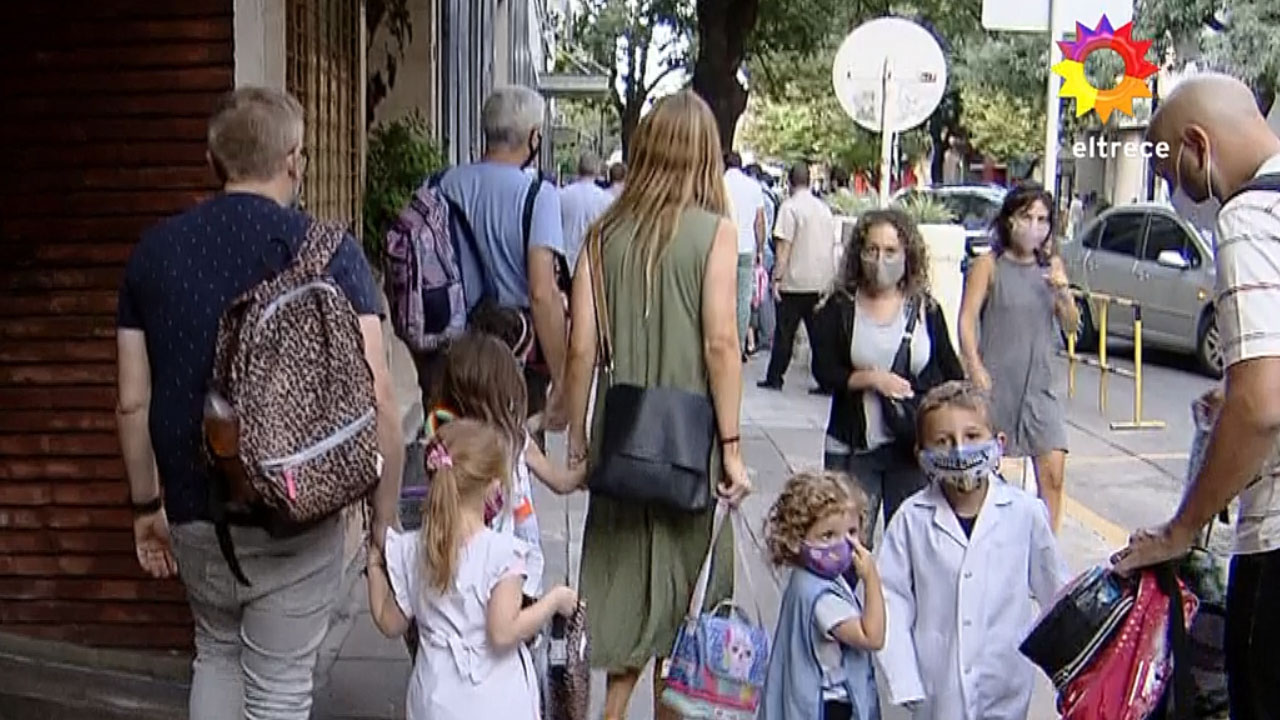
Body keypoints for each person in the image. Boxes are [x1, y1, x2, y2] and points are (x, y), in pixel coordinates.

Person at [115, 87, 403, 719]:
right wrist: (382, 521)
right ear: (294, 159)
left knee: (215, 654)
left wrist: (145, 506)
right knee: (278, 686)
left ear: (214, 160)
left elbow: (132, 404)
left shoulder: (154, 253)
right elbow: (381, 397)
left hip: (192, 507)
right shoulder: (330, 252)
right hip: (298, 511)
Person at [562, 90, 752, 719]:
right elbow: (721, 343)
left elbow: (582, 345)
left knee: (618, 595)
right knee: (682, 598)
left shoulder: (602, 232)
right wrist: (732, 448)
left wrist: (576, 433)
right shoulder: (714, 233)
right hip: (689, 441)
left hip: (620, 439)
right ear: (705, 154)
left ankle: (610, 713)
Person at [1110, 72, 1280, 720]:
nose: (1178, 192)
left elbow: (1263, 405)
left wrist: (1183, 529)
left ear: (1197, 146)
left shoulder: (1251, 214)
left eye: (1171, 174)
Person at [876, 381, 1070, 720]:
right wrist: (904, 678)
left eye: (972, 436)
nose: (958, 451)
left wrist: (1071, 672)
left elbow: (1055, 594)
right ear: (922, 455)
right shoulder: (911, 519)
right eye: (943, 441)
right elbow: (891, 600)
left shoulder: (1025, 513)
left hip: (1005, 686)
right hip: (938, 689)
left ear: (999, 444)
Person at [366, 419, 579, 720]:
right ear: (494, 486)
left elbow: (389, 622)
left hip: (434, 698)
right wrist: (553, 601)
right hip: (494, 701)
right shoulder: (503, 555)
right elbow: (504, 632)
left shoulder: (414, 549)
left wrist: (375, 568)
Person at [810, 209, 964, 545]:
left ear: (908, 255)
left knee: (912, 547)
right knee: (846, 549)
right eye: (872, 250)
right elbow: (824, 370)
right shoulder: (839, 306)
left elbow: (952, 374)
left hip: (911, 451)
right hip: (854, 448)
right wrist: (870, 379)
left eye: (891, 251)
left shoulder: (926, 309)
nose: (881, 260)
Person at [435, 85, 569, 430]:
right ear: (533, 137)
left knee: (455, 456)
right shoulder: (538, 196)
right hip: (515, 356)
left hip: (452, 353)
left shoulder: (442, 185)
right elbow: (542, 293)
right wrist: (563, 378)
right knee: (513, 458)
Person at [957, 182, 1079, 533]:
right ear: (1010, 219)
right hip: (998, 382)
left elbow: (1071, 327)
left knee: (1052, 474)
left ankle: (1046, 551)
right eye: (1027, 217)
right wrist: (974, 366)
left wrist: (1062, 290)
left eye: (1042, 219)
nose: (1034, 226)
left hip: (1041, 387)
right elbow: (966, 319)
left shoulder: (1051, 268)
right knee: (988, 476)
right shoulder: (989, 265)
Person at [760, 471, 885, 720]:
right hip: (830, 705)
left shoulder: (806, 578)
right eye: (828, 536)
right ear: (797, 539)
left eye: (851, 532)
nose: (843, 544)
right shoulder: (824, 600)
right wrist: (871, 579)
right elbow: (872, 637)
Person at [759, 163, 838, 390]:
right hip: (820, 281)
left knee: (785, 334)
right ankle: (826, 380)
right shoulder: (823, 209)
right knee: (820, 337)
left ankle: (775, 377)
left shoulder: (790, 208)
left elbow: (784, 247)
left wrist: (777, 277)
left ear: (790, 182)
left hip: (794, 282)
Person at [724, 150, 768, 356]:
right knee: (743, 300)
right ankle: (739, 344)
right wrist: (760, 248)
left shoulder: (719, 184)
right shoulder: (753, 187)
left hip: (722, 247)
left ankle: (722, 339)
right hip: (746, 247)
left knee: (722, 296)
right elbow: (760, 221)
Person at [560, 151, 615, 276]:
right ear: (597, 170)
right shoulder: (607, 200)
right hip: (592, 264)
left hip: (566, 263)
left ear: (579, 168)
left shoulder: (562, 195)